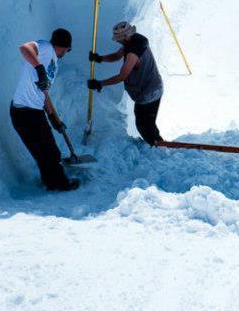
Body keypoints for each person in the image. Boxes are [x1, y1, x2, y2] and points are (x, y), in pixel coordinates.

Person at [9, 28, 79, 191]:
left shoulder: (52, 61)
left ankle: (51, 182)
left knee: (45, 152)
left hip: (32, 111)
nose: (66, 53)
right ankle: (60, 184)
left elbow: (44, 93)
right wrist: (39, 69)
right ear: (64, 47)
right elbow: (25, 48)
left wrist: (54, 118)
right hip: (24, 112)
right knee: (49, 151)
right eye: (67, 50)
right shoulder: (46, 48)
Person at [86, 21, 164, 146]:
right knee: (145, 122)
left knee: (144, 125)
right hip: (150, 88)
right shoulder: (134, 40)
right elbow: (117, 56)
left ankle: (156, 146)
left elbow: (122, 75)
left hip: (149, 92)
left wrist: (100, 83)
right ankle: (156, 143)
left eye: (118, 39)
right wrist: (100, 58)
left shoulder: (133, 53)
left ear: (125, 37)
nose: (117, 41)